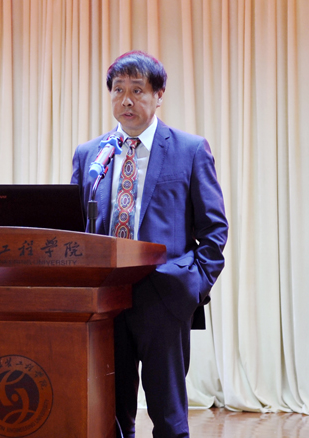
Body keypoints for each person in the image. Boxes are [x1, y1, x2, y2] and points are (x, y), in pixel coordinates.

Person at [71, 51, 228, 438]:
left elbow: (214, 229)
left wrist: (191, 287)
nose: (126, 100)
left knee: (169, 418)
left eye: (137, 90)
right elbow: (74, 225)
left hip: (164, 296)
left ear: (159, 95)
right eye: (118, 90)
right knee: (107, 415)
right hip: (105, 299)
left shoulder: (189, 150)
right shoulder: (92, 155)